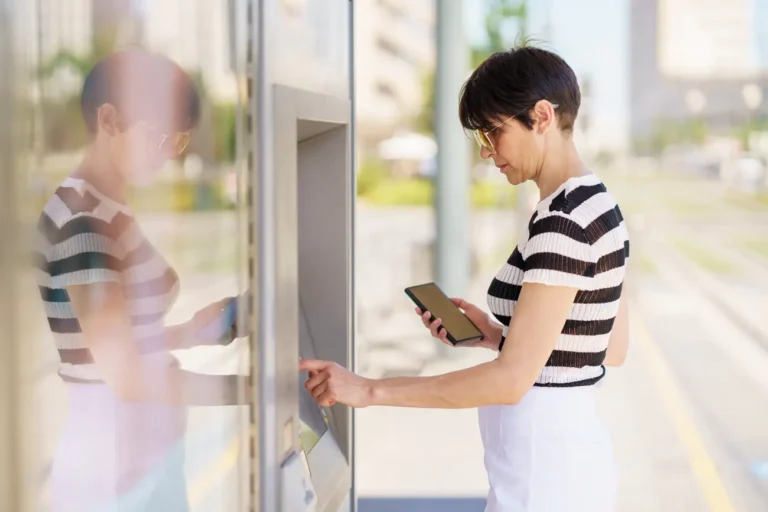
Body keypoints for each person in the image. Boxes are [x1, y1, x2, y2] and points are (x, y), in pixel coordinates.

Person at [301, 45, 630, 512]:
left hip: (543, 481)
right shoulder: (599, 206)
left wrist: (369, 389)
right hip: (567, 469)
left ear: (540, 116)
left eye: (494, 131)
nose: (487, 150)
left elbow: (513, 380)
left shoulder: (563, 223)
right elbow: (606, 348)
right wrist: (497, 336)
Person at [35, 49, 248, 512]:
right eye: (161, 134)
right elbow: (125, 377)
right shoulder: (83, 223)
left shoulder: (109, 207)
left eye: (181, 139)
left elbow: (103, 348)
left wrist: (191, 332)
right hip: (113, 466)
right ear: (108, 119)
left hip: (142, 457)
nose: (170, 152)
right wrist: (255, 389)